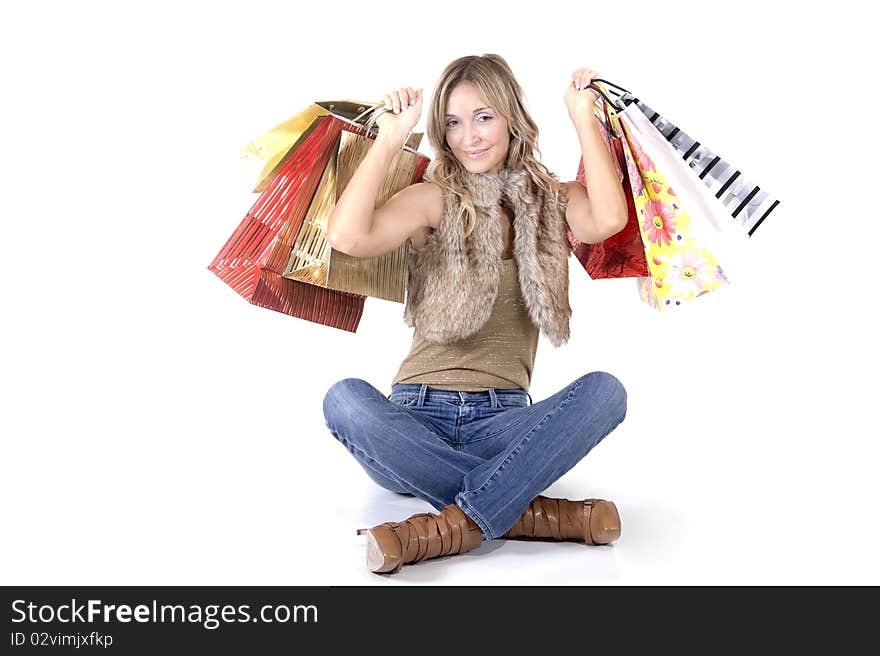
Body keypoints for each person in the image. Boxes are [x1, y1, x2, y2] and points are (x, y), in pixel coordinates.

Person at [322, 54, 629, 575]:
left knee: (607, 392)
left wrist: (582, 116)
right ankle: (524, 512)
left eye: (484, 117)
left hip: (505, 424)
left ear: (512, 118)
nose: (470, 137)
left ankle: (448, 527)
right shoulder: (432, 200)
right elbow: (348, 236)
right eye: (454, 123)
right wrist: (391, 139)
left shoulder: (553, 201)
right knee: (344, 400)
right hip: (414, 421)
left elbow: (608, 217)